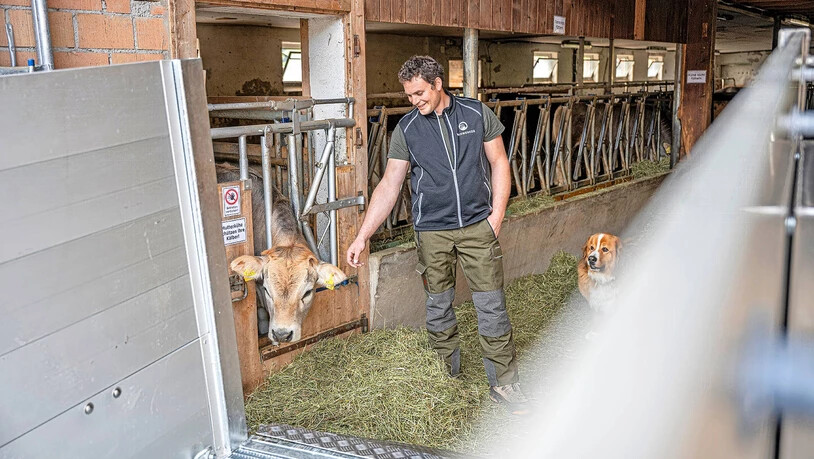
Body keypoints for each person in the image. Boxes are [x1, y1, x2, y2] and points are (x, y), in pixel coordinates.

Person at [346, 55, 527, 415]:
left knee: (491, 306)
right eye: (409, 95)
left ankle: (504, 384)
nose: (414, 101)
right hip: (432, 232)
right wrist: (362, 235)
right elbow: (389, 185)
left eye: (418, 93)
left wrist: (497, 217)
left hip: (478, 227)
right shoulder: (407, 130)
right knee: (438, 307)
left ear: (437, 84)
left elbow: (499, 162)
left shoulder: (476, 114)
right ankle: (444, 378)